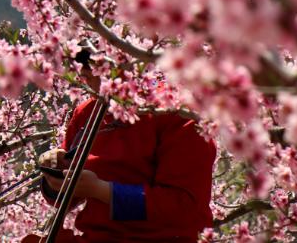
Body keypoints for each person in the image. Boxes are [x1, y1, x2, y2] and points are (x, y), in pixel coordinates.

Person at [23, 53, 217, 242]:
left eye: (95, 73)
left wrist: (101, 190)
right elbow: (67, 198)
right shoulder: (87, 112)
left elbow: (184, 205)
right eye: (83, 75)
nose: (89, 83)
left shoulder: (177, 112)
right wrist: (55, 175)